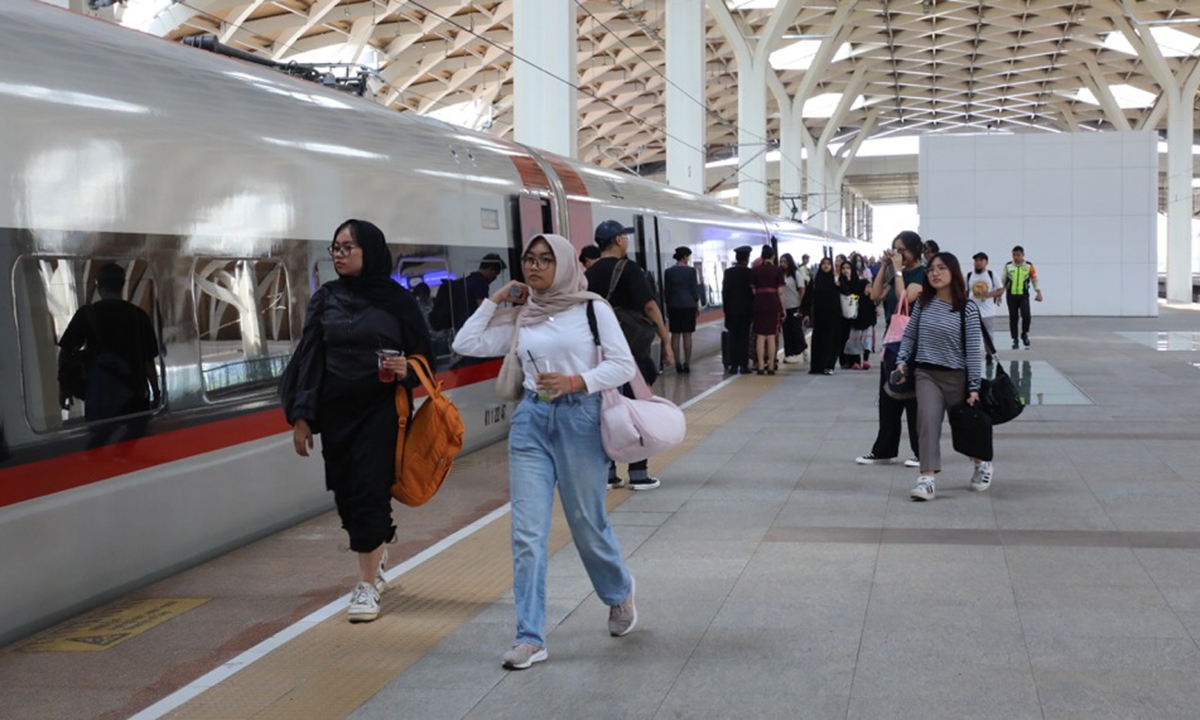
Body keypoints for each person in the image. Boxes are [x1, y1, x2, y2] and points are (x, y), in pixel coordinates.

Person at [451, 233, 639, 670]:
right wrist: (495, 298)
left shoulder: (592, 308)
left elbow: (623, 364)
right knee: (527, 533)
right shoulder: (523, 316)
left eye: (545, 260)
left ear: (566, 266)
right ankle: (530, 637)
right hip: (531, 422)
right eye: (529, 260)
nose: (534, 267)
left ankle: (618, 591)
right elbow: (465, 343)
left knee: (586, 523)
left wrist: (577, 382)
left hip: (579, 418)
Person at [281, 219, 433, 623]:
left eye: (348, 247)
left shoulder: (398, 302)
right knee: (347, 496)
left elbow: (427, 358)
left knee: (368, 490)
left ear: (371, 251)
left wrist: (407, 370)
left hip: (380, 411)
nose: (339, 254)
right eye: (335, 247)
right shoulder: (326, 298)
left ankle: (366, 585)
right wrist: (301, 416)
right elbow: (309, 358)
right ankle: (376, 544)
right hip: (336, 413)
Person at [893, 252, 990, 501]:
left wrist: (974, 387)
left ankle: (981, 463)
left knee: (965, 430)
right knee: (926, 423)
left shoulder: (966, 309)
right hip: (926, 374)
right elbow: (910, 336)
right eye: (931, 269)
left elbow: (972, 351)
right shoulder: (923, 304)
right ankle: (927, 479)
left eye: (941, 268)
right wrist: (902, 361)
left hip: (957, 377)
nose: (934, 273)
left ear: (953, 272)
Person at [585, 219, 673, 491]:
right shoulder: (630, 269)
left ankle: (609, 473)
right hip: (631, 351)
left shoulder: (589, 272)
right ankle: (638, 473)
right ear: (619, 240)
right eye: (625, 236)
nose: (627, 240)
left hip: (599, 353)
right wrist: (666, 341)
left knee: (608, 409)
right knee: (637, 409)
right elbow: (649, 306)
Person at [57, 263, 161, 449]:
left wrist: (64, 388)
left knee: (99, 443)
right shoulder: (139, 316)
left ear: (99, 286)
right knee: (132, 443)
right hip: (135, 397)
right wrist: (157, 393)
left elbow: (65, 351)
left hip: (101, 398)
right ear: (122, 284)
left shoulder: (86, 314)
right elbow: (148, 362)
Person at [856, 230, 925, 467]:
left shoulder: (922, 274)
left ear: (916, 250)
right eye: (895, 249)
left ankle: (921, 451)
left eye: (902, 250)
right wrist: (885, 267)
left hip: (914, 343)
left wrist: (896, 271)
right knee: (888, 396)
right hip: (892, 343)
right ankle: (883, 450)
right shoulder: (897, 272)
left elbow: (905, 296)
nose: (898, 254)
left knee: (914, 399)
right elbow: (875, 295)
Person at [663, 246, 700, 374]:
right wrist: (696, 306)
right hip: (689, 306)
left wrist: (668, 306)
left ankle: (677, 363)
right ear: (684, 257)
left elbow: (666, 292)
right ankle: (687, 363)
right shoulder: (691, 271)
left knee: (675, 335)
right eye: (688, 257)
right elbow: (694, 291)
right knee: (687, 335)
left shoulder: (669, 272)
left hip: (674, 306)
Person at [802, 257, 841, 375]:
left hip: (833, 315)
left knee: (831, 340)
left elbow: (846, 291)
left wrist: (839, 283)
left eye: (828, 264)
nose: (826, 266)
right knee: (818, 340)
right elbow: (808, 296)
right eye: (823, 263)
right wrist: (804, 312)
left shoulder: (835, 279)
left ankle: (828, 366)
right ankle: (817, 366)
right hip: (819, 316)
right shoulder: (815, 280)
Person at [750, 244, 785, 375]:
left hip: (759, 304)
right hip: (773, 305)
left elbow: (753, 290)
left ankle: (760, 366)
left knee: (760, 336)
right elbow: (780, 292)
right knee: (771, 336)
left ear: (762, 256)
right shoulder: (777, 270)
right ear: (773, 256)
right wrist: (783, 309)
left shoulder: (755, 270)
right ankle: (770, 366)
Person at [721, 245, 754, 374]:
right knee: (744, 338)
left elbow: (725, 293)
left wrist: (726, 310)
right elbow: (752, 294)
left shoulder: (728, 273)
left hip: (731, 311)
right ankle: (744, 365)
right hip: (746, 311)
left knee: (733, 338)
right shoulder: (750, 273)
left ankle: (733, 365)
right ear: (747, 258)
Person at [965, 252, 1003, 361]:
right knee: (972, 337)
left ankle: (989, 354)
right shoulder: (968, 276)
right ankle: (972, 357)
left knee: (988, 336)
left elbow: (1000, 290)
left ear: (986, 262)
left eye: (981, 260)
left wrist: (989, 294)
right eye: (976, 260)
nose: (978, 263)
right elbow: (964, 292)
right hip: (972, 312)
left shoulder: (992, 275)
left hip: (988, 313)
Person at [1003, 245, 1042, 350]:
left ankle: (1024, 333)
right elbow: (1003, 281)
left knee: (1026, 315)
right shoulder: (1008, 266)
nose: (1016, 257)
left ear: (1023, 255)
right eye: (1014, 255)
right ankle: (1014, 338)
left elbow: (1034, 279)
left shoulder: (1028, 266)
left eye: (1018, 255)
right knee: (1013, 317)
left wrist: (1038, 292)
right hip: (1011, 295)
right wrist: (999, 295)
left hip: (1023, 295)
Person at [838, 260, 875, 370]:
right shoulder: (838, 281)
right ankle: (849, 361)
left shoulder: (859, 282)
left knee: (860, 339)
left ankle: (859, 361)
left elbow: (856, 295)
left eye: (848, 268)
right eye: (843, 268)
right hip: (845, 315)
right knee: (851, 340)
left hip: (857, 315)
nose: (846, 271)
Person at [779, 253, 806, 363]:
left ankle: (804, 349)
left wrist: (802, 304)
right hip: (785, 308)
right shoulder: (780, 275)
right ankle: (789, 354)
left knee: (796, 330)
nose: (782, 264)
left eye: (785, 261)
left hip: (795, 306)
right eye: (781, 261)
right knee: (787, 331)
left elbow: (802, 289)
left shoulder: (795, 274)